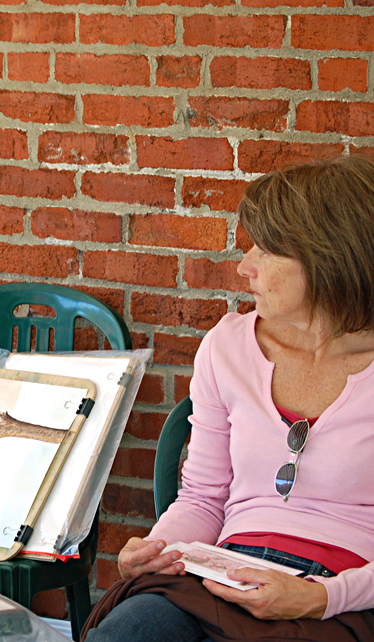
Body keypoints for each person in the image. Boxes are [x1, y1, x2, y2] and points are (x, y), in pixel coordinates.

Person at [84, 155, 374, 641]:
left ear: (330, 260)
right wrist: (157, 547)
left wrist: (326, 596)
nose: (244, 266)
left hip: (343, 596)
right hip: (219, 573)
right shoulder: (228, 346)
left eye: (267, 251)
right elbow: (203, 497)